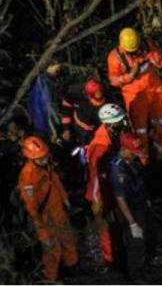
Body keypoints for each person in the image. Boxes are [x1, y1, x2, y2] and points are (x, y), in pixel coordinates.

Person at [17, 136, 78, 281]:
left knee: (68, 241)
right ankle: (51, 279)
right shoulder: (28, 176)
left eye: (44, 155)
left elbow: (55, 181)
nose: (44, 159)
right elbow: (30, 206)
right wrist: (41, 231)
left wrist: (65, 199)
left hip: (58, 212)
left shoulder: (46, 165)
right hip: (45, 218)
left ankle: (72, 270)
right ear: (30, 158)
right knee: (52, 251)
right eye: (40, 157)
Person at [107, 27, 162, 160]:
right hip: (134, 96)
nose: (135, 52)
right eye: (131, 51)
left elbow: (161, 64)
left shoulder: (147, 45)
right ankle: (143, 161)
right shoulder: (114, 57)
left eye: (136, 49)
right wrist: (129, 76)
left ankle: (160, 154)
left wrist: (156, 58)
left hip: (154, 91)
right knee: (139, 133)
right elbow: (113, 80)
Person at [86, 103, 133, 266]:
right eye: (119, 121)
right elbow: (95, 176)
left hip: (111, 185)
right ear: (110, 123)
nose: (123, 123)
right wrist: (98, 199)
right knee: (104, 224)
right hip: (101, 192)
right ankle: (109, 258)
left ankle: (116, 251)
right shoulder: (100, 147)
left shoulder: (110, 136)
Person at [109, 133, 152, 283]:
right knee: (134, 243)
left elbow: (139, 181)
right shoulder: (117, 168)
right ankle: (136, 277)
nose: (136, 155)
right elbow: (120, 199)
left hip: (139, 204)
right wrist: (132, 222)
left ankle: (142, 268)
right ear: (124, 149)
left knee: (143, 239)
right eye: (133, 152)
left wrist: (146, 200)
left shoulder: (132, 161)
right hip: (129, 210)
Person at [60, 77, 106, 146]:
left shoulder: (106, 96)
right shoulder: (75, 94)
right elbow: (66, 108)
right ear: (87, 95)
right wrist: (66, 128)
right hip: (78, 129)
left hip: (98, 129)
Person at [27, 58, 62, 141]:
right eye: (57, 68)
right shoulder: (44, 82)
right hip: (43, 125)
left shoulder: (44, 80)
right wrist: (51, 131)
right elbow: (46, 107)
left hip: (39, 123)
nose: (59, 70)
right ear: (50, 66)